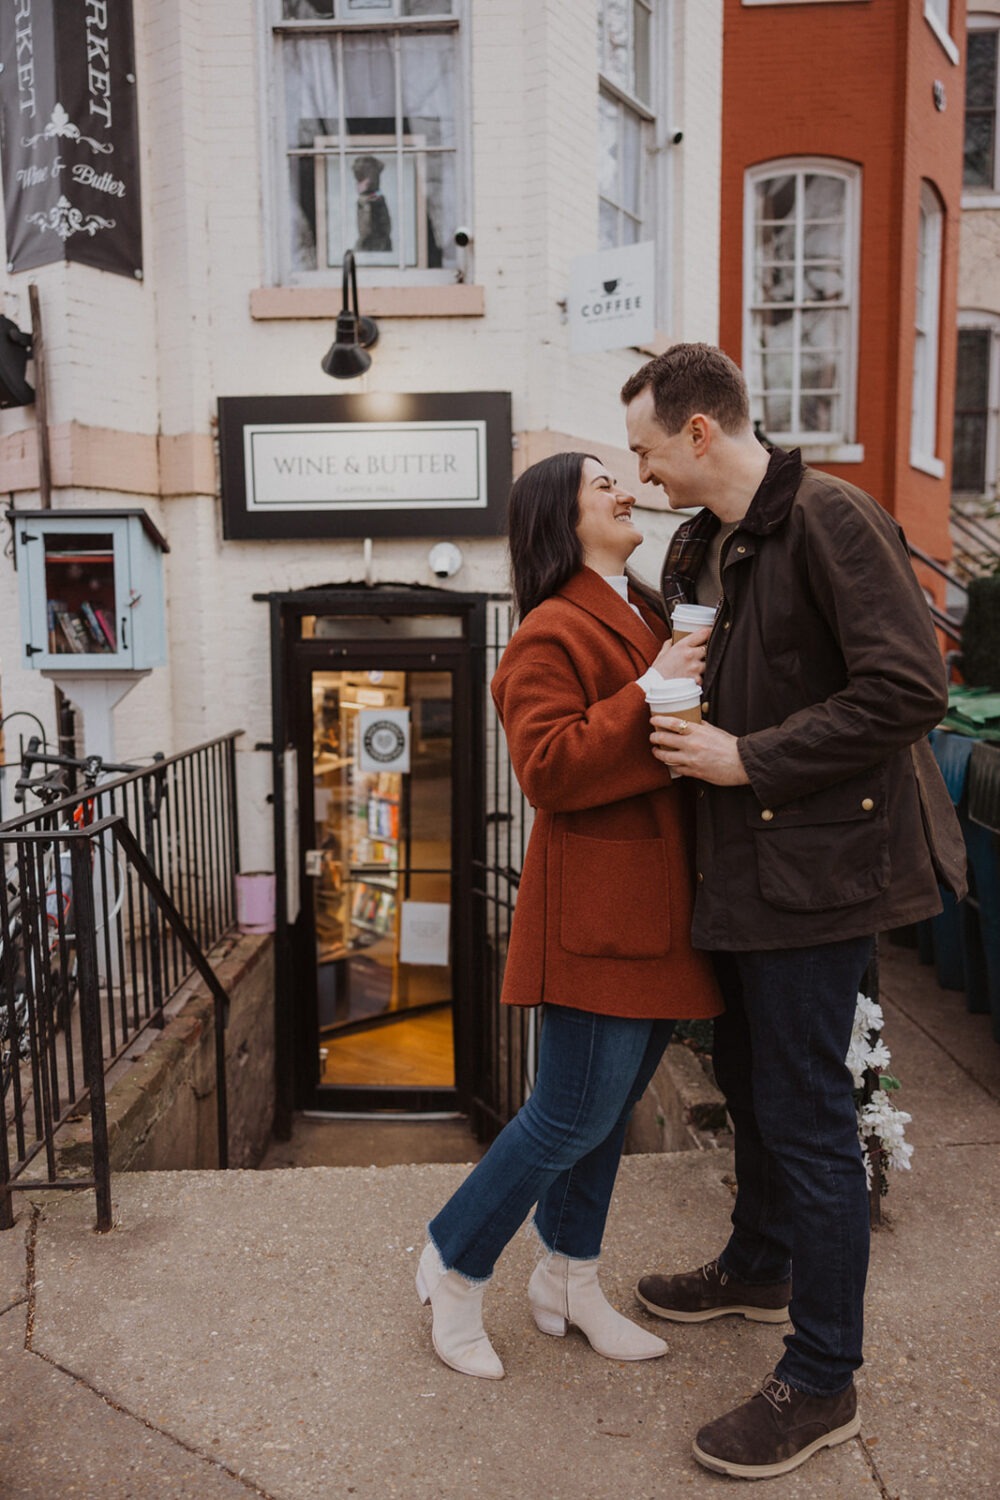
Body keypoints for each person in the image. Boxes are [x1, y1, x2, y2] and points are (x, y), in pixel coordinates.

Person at [620, 343, 967, 1480]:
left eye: (646, 448)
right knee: (756, 1095)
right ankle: (757, 1265)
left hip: (819, 880)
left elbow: (912, 689)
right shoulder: (698, 541)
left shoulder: (831, 517)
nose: (639, 471)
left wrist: (745, 755)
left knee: (810, 1120)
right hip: (736, 876)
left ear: (702, 432)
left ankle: (822, 1380)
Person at [415, 451, 721, 1380]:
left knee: (611, 1113)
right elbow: (546, 767)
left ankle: (570, 1281)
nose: (626, 489)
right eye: (602, 482)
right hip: (597, 911)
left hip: (662, 909)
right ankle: (454, 1265)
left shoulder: (648, 608)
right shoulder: (548, 632)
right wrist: (650, 690)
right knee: (568, 1113)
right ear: (561, 516)